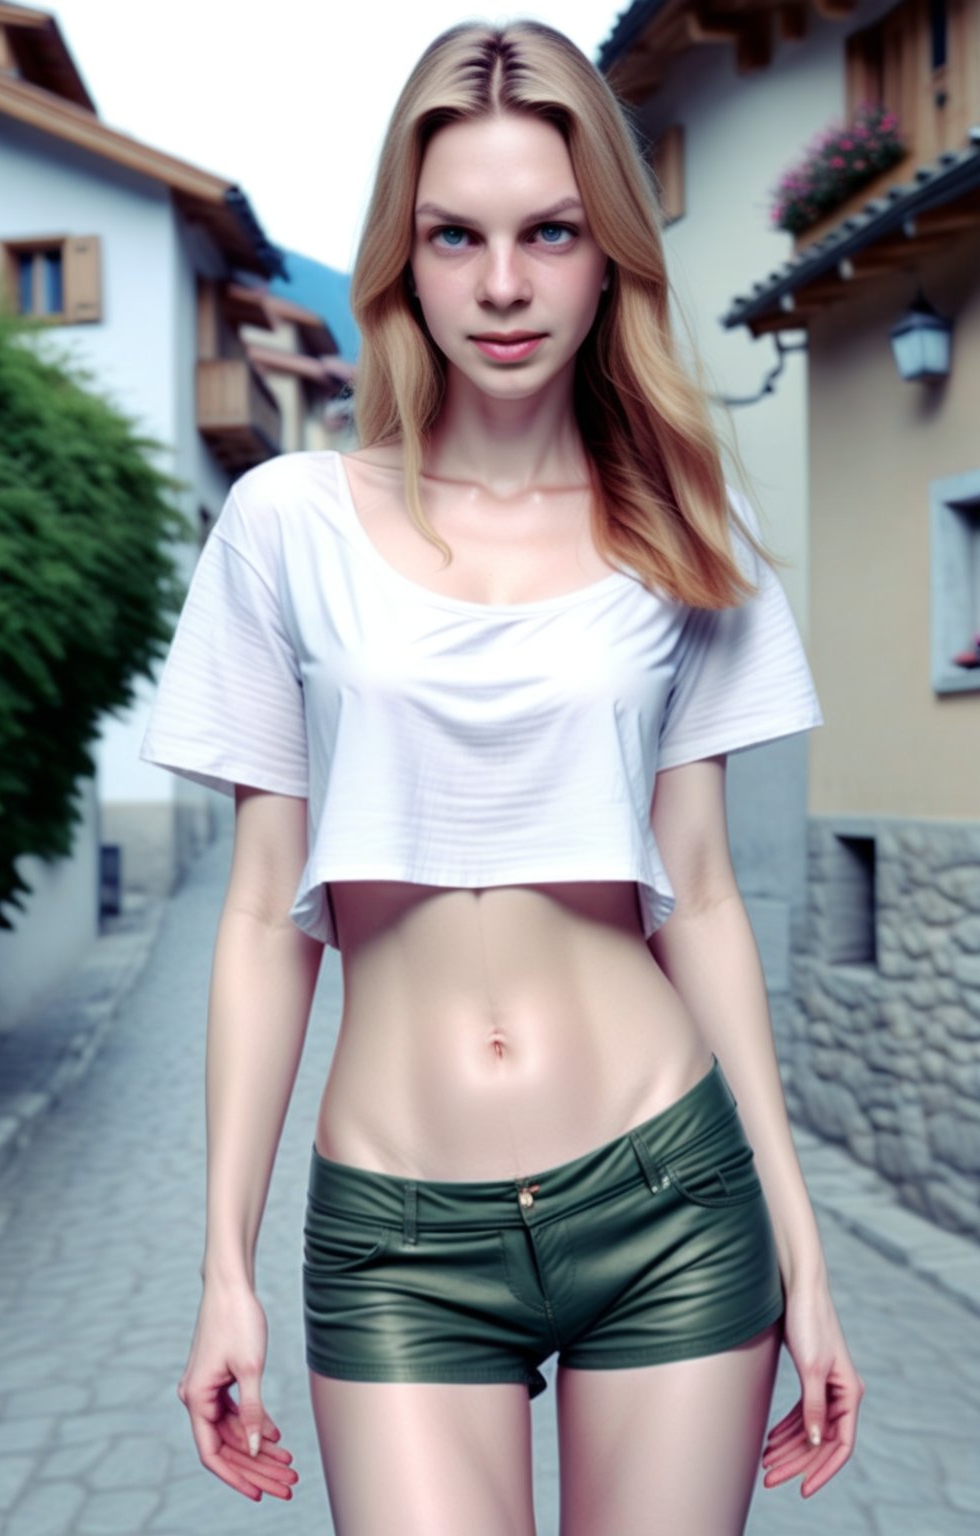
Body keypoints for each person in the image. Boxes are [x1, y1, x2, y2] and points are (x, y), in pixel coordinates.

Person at [139, 18, 864, 1535]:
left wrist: (803, 1246)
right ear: (403, 263)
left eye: (550, 231)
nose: (506, 285)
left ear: (610, 252)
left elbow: (706, 896)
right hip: (395, 1233)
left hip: (667, 1189)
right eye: (455, 238)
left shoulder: (686, 530)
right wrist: (224, 1268)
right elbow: (265, 913)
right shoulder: (286, 524)